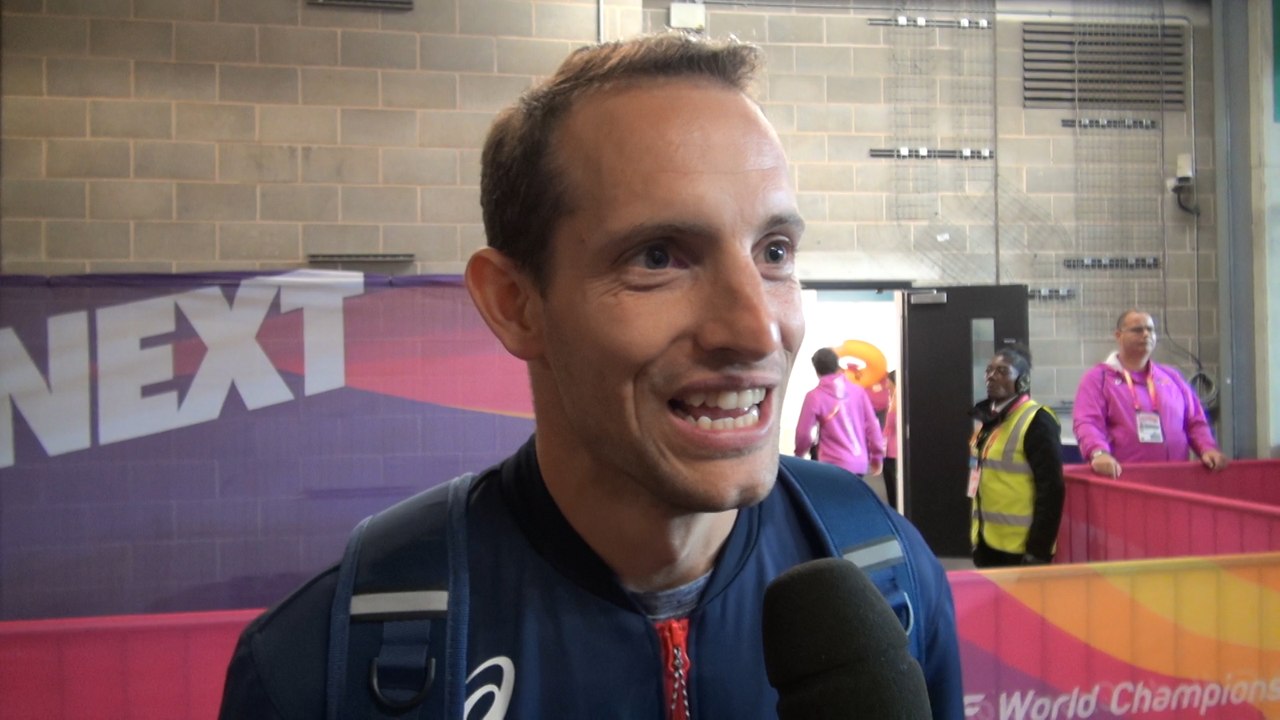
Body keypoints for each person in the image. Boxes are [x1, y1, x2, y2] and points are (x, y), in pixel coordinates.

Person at [218, 33, 962, 719]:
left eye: (772, 252)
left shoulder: (886, 578)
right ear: (515, 305)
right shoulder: (327, 663)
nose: (756, 329)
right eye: (658, 257)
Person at [1072, 309, 1226, 478]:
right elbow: (1088, 422)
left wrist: (1207, 448)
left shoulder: (1171, 377)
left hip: (1175, 479)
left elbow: (1195, 421)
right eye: (1138, 330)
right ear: (1118, 335)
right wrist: (1098, 453)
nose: (1146, 334)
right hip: (1125, 480)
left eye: (1150, 330)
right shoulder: (1098, 379)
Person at [968, 345, 1064, 567]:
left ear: (1022, 380)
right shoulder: (989, 420)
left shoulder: (1037, 421)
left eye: (1002, 371)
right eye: (989, 370)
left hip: (1021, 550)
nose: (991, 376)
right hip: (986, 541)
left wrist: (1038, 551)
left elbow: (1052, 490)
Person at [794, 347, 886, 477]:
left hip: (830, 465)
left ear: (816, 370)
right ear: (837, 366)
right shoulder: (858, 392)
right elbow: (872, 426)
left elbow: (803, 433)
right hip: (858, 464)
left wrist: (799, 454)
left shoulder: (814, 396)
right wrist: (877, 456)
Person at [882, 370, 900, 509]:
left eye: (888, 380)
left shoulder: (897, 398)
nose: (886, 384)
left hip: (893, 451)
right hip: (888, 450)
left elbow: (891, 425)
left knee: (894, 488)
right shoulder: (891, 398)